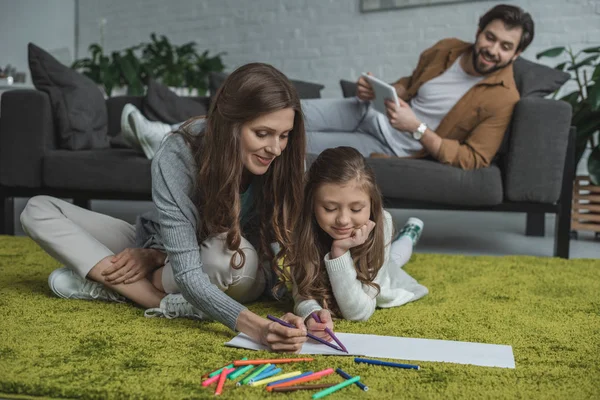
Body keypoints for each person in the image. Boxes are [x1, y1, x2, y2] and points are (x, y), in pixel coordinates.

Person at [20, 63, 311, 352]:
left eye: (284, 135)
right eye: (262, 134)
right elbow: (185, 268)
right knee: (37, 210)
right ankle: (151, 297)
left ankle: (115, 286)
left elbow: (293, 248)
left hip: (233, 265)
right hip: (169, 251)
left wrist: (310, 309)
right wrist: (257, 328)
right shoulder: (179, 151)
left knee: (225, 256)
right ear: (229, 124)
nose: (275, 148)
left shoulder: (286, 162)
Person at [302, 4, 534, 170]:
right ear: (478, 32)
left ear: (516, 54)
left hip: (388, 144)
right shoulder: (447, 48)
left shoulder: (504, 98)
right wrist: (379, 90)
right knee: (289, 113)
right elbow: (411, 84)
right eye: (490, 38)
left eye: (505, 46)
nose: (493, 50)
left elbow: (473, 158)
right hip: (367, 110)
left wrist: (417, 128)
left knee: (298, 146)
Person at [289, 147, 428, 338]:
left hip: (380, 262)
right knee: (394, 259)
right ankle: (407, 235)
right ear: (311, 204)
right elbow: (301, 295)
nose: (343, 220)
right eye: (330, 208)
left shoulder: (382, 222)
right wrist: (312, 312)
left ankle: (408, 235)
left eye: (356, 209)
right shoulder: (302, 225)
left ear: (372, 205)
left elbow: (358, 312)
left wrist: (339, 252)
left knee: (394, 261)